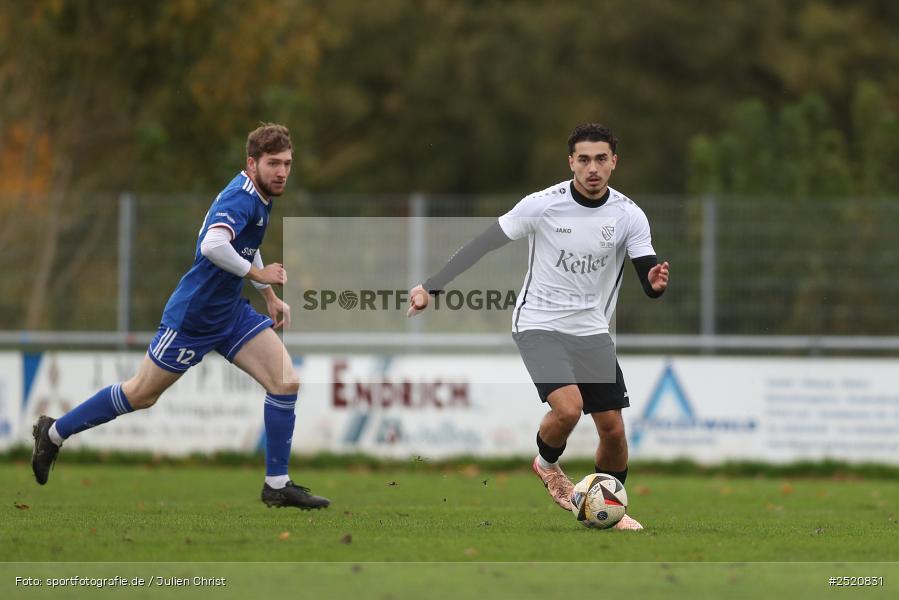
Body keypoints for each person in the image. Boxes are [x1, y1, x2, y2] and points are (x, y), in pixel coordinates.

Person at [31, 123, 330, 510]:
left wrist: (269, 296)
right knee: (141, 393)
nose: (282, 172)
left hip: (229, 313)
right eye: (273, 163)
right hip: (193, 317)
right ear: (251, 163)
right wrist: (258, 274)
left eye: (287, 163)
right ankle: (53, 433)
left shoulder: (260, 196)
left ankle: (277, 485)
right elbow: (213, 246)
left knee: (285, 381)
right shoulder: (240, 197)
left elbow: (245, 244)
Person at [407, 123, 668, 530]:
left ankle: (610, 508)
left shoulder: (628, 214)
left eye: (601, 159)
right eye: (584, 159)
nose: (593, 168)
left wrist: (654, 283)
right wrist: (431, 287)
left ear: (614, 162)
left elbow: (647, 272)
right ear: (571, 162)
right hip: (538, 323)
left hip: (592, 330)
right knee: (569, 408)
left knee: (614, 431)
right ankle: (547, 465)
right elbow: (484, 242)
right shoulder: (542, 205)